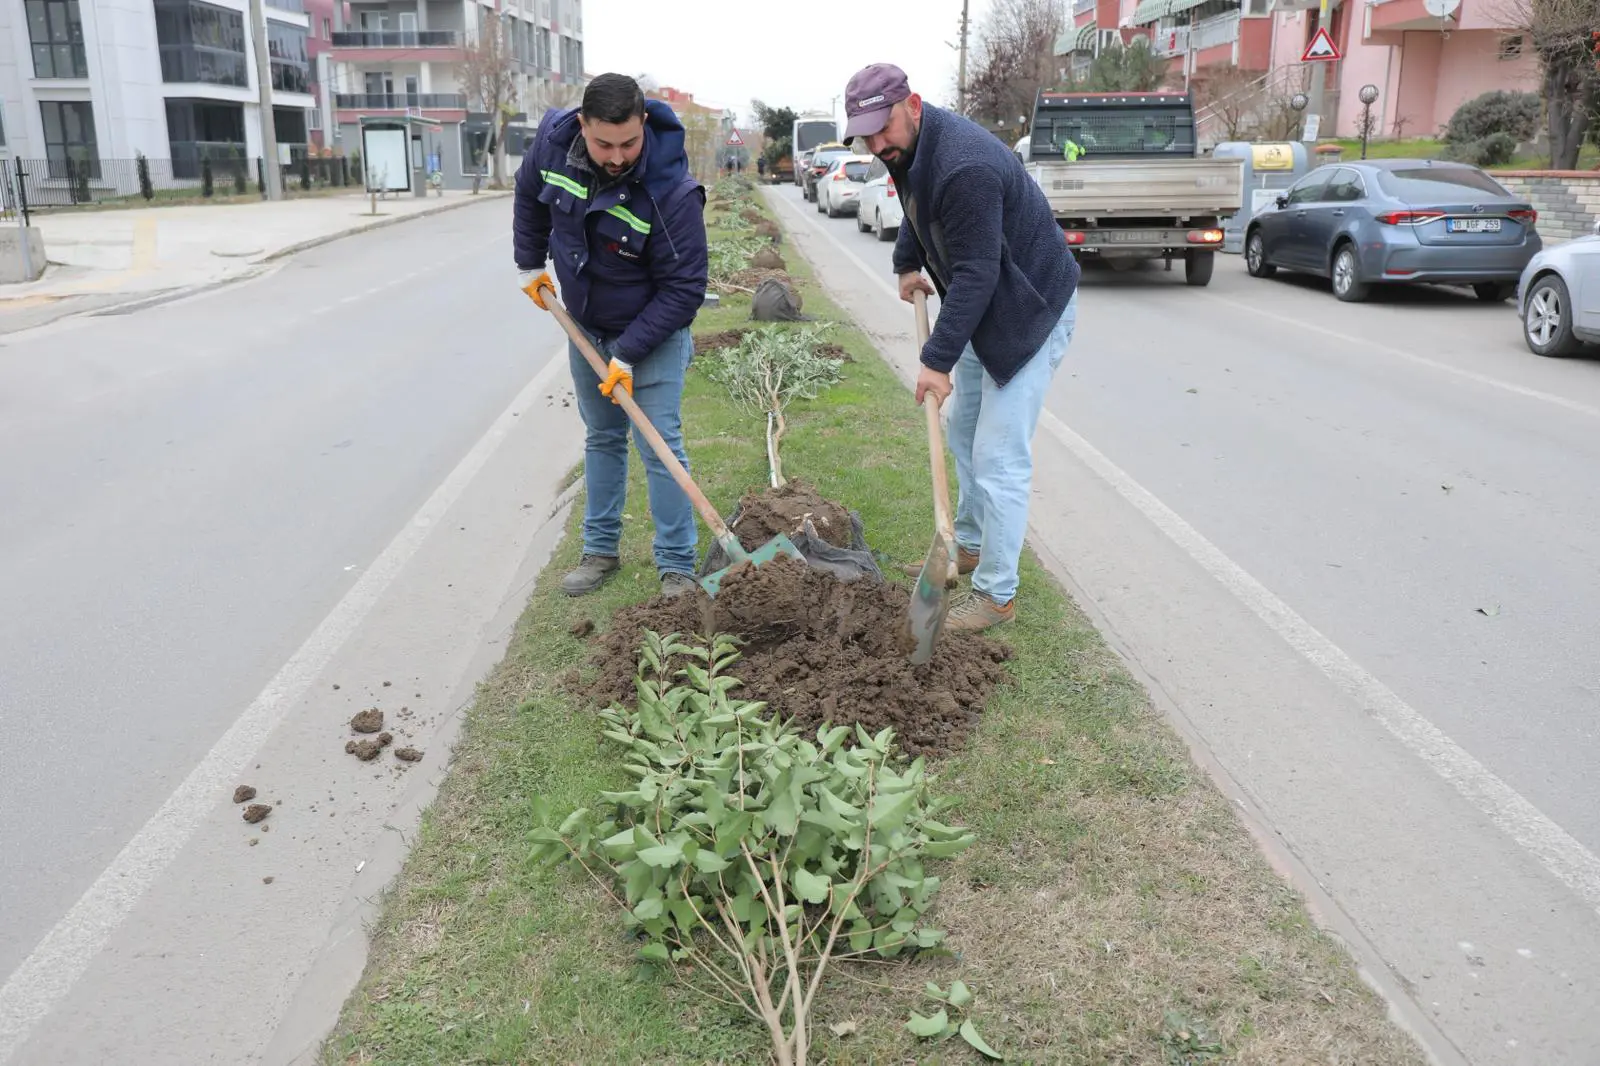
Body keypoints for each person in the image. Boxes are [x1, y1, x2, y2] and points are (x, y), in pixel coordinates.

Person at [845, 62, 1081, 633]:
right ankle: (968, 545)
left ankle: (997, 595)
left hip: (1026, 311)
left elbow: (976, 272)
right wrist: (906, 262)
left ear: (915, 105)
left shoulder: (965, 165)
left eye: (885, 128)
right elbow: (919, 209)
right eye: (866, 134)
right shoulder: (910, 150)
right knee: (963, 432)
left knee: (999, 458)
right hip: (982, 309)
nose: (877, 144)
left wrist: (936, 362)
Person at [514, 73, 711, 598]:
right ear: (582, 126)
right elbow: (529, 193)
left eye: (629, 142)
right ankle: (600, 552)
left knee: (659, 444)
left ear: (644, 123)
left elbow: (685, 289)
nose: (618, 156)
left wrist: (626, 353)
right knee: (602, 439)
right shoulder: (554, 147)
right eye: (604, 144)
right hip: (585, 324)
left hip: (653, 332)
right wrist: (530, 263)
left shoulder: (671, 190)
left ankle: (677, 566)